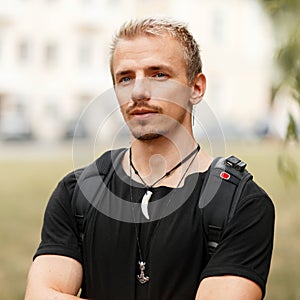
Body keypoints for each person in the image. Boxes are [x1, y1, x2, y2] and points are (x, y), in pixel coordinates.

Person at [25, 16, 275, 300]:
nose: (139, 92)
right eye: (126, 78)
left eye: (159, 74)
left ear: (196, 88)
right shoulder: (78, 192)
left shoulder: (239, 203)